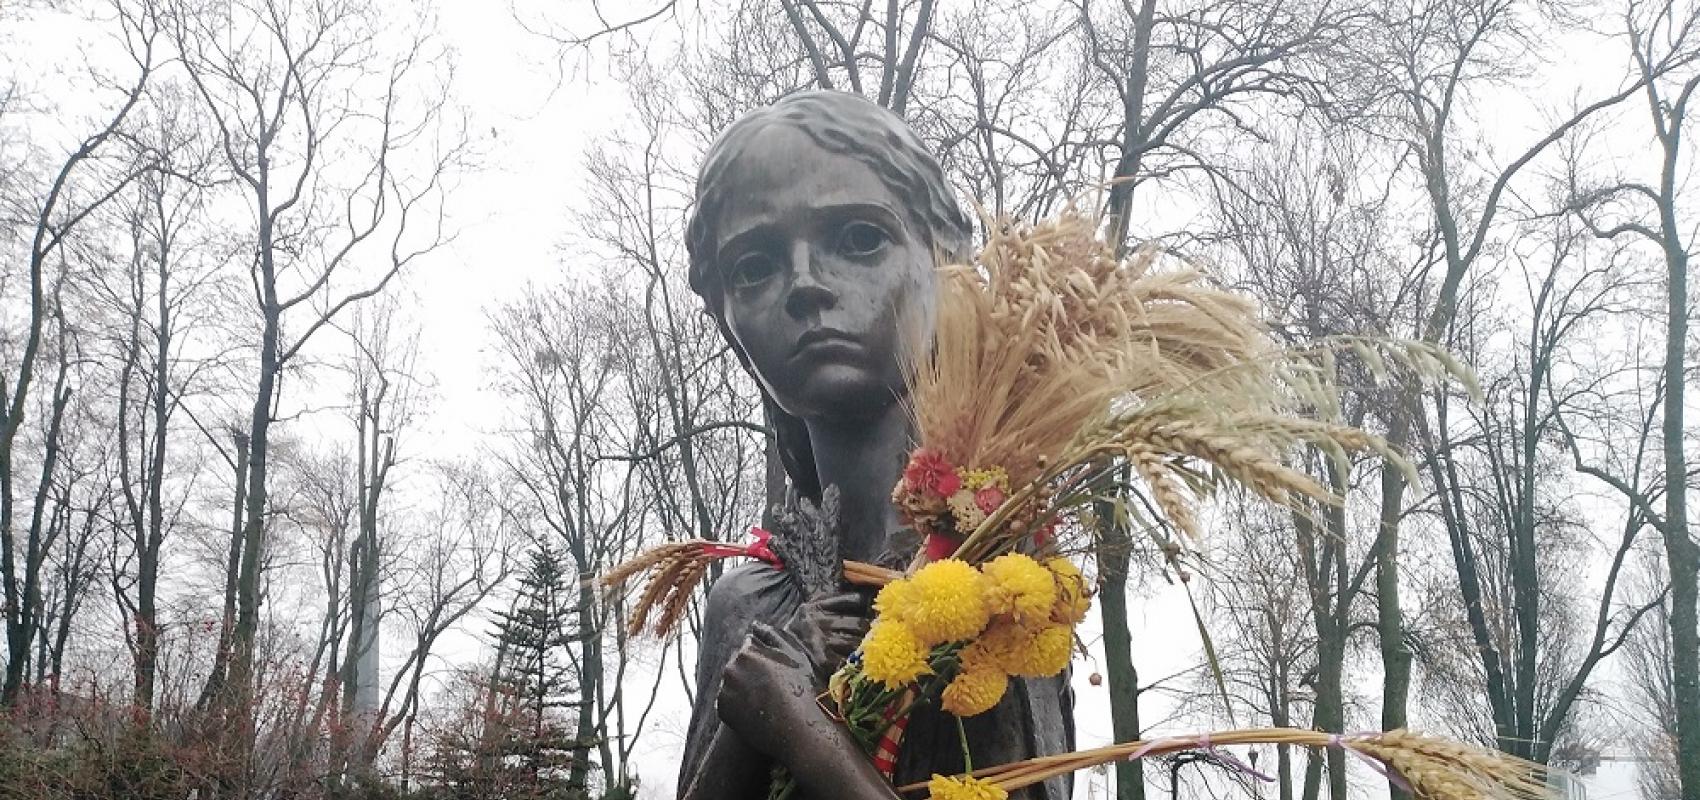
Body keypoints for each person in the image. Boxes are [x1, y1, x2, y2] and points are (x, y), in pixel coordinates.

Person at [677, 90, 1073, 800]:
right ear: (726, 317)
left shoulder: (997, 583)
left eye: (859, 239)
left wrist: (802, 728)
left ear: (944, 260)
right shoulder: (744, 604)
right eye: (754, 266)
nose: (804, 285)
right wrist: (747, 720)